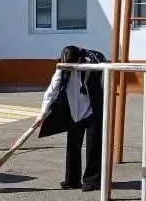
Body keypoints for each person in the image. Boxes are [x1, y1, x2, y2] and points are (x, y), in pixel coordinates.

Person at [35, 45, 108, 192]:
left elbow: (104, 75)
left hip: (92, 108)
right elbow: (52, 89)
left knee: (94, 145)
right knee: (73, 145)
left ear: (79, 60)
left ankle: (92, 181)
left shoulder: (92, 62)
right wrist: (42, 113)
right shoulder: (62, 67)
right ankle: (72, 180)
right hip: (74, 110)